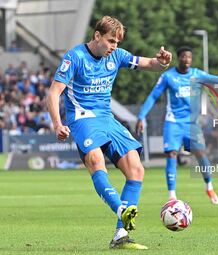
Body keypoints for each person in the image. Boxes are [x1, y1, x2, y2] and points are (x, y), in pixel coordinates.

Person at [46, 16, 172, 250]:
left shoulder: (117, 56)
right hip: (83, 118)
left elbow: (149, 64)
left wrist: (161, 61)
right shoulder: (75, 57)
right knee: (95, 160)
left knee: (136, 169)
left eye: (117, 42)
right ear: (97, 36)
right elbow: (53, 93)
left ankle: (120, 234)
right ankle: (122, 209)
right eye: (111, 41)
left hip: (107, 118)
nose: (114, 46)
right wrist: (57, 123)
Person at [136, 46, 218, 204]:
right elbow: (153, 96)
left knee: (201, 154)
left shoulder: (197, 75)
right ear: (179, 58)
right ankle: (172, 196)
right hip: (173, 122)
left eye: (189, 57)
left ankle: (209, 186)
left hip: (192, 125)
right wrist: (141, 116)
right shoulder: (168, 76)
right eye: (184, 57)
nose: (187, 60)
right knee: (171, 155)